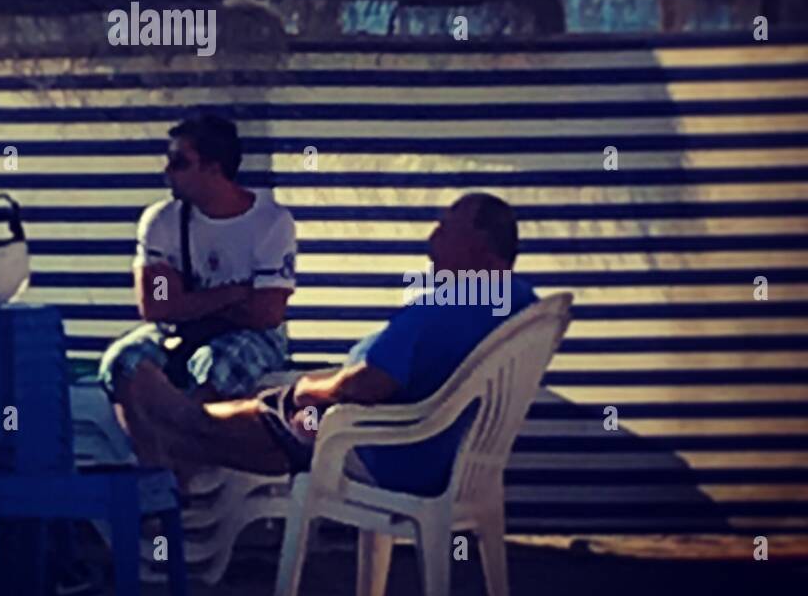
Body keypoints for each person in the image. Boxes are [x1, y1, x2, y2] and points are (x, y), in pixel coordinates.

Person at [121, 193, 537, 495]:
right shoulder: (516, 302)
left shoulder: (454, 300)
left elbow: (367, 385)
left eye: (445, 229)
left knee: (282, 411)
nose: (431, 241)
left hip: (384, 446)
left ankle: (180, 432)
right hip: (425, 444)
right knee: (279, 413)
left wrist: (308, 389)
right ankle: (182, 439)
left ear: (479, 247)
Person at [98, 112, 296, 473]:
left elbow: (266, 314)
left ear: (213, 168)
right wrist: (236, 293)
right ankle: (156, 472)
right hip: (179, 332)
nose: (167, 171)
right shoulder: (162, 222)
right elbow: (156, 307)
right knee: (122, 361)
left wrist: (189, 304)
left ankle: (193, 468)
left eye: (180, 162)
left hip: (252, 336)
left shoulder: (270, 222)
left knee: (215, 366)